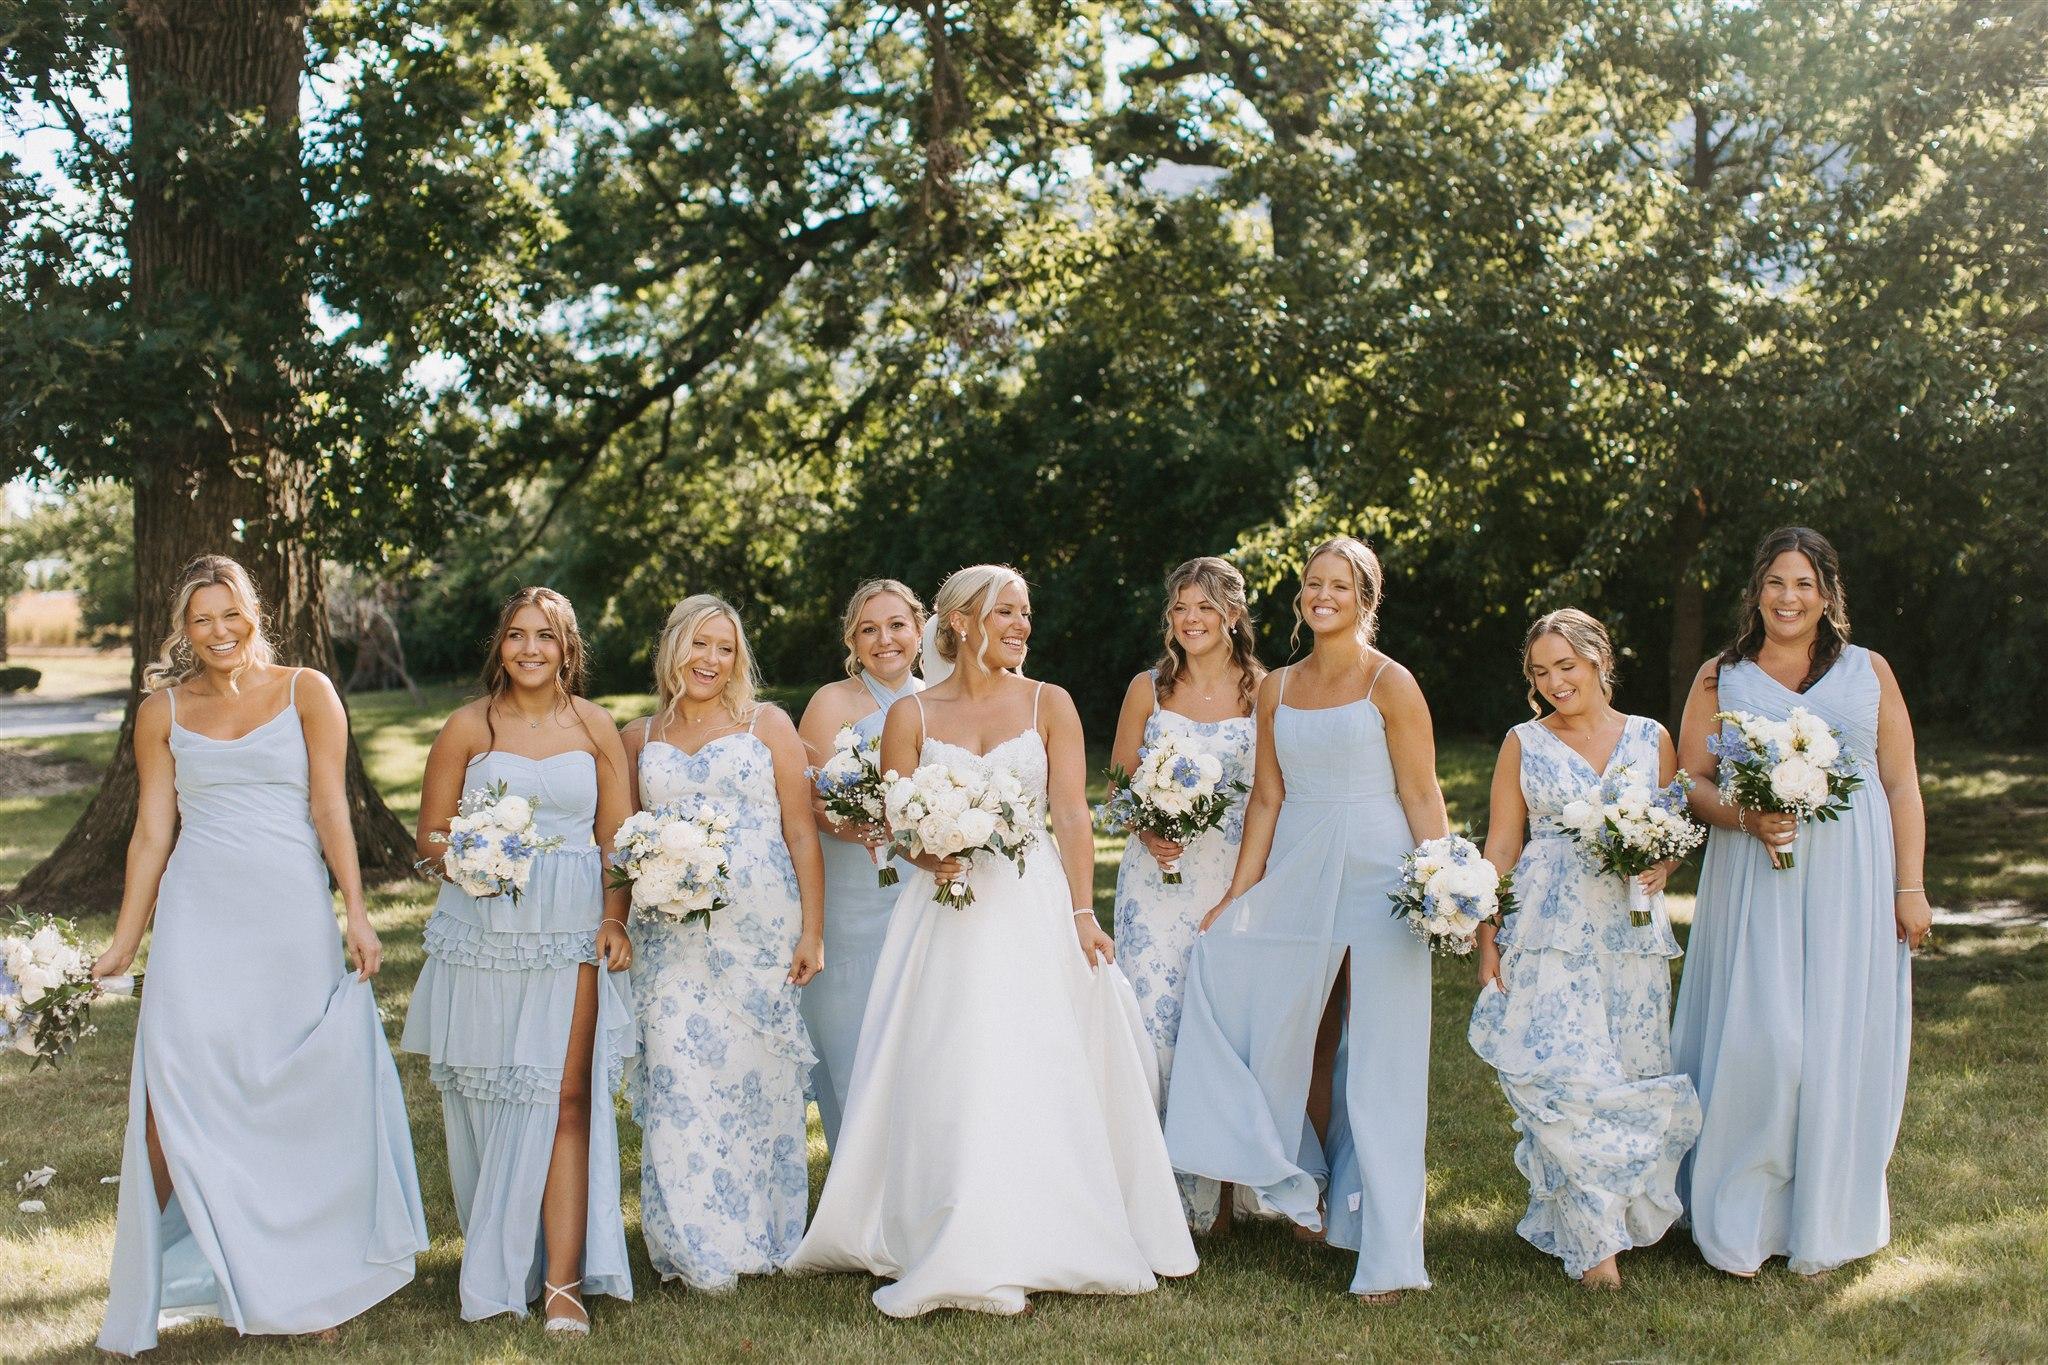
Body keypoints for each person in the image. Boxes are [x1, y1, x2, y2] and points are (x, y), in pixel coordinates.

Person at [787, 564, 1198, 1316]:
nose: (1021, 624)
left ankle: (1046, 1222)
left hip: (1029, 901)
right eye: (1006, 611)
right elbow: (897, 821)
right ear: (961, 620)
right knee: (952, 1055)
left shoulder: (1050, 701)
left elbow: (1070, 813)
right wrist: (927, 854)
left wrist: (1084, 912)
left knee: (1032, 1050)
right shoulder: (911, 714)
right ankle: (948, 1221)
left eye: (1025, 612)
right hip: (941, 913)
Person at [94, 554, 427, 1355]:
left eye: (230, 614)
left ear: (254, 612)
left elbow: (331, 807)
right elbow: (151, 832)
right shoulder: (161, 711)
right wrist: (123, 942)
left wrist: (357, 913)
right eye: (201, 619)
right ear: (183, 629)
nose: (219, 631)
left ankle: (307, 1286)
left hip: (289, 918)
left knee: (293, 1096)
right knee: (172, 1099)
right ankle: (141, 1294)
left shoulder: (307, 690)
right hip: (197, 920)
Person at [1164, 536, 1446, 1301]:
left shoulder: (1391, 682)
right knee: (1298, 1034)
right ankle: (1309, 1187)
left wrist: (1445, 882)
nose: (1323, 594)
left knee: (1383, 1051)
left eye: (1340, 585)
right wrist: (1238, 895)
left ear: (1366, 598)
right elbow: (1267, 797)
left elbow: (1421, 792)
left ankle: (1388, 1247)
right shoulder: (1278, 687)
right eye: (1313, 583)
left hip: (1379, 870)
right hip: (1296, 867)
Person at [1671, 526, 1927, 1277]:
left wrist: (1910, 887)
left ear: (1827, 594)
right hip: (1756, 876)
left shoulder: (1869, 670)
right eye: (1776, 582)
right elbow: (1689, 781)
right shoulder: (1721, 676)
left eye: (1804, 583)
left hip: (1853, 879)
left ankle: (1822, 1214)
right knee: (1766, 1041)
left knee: (1835, 1040)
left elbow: (1900, 783)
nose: (1788, 597)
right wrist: (1745, 817)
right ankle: (1740, 1215)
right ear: (1757, 591)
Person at [400, 587, 636, 1331]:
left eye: (545, 636)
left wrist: (614, 918)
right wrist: (473, 856)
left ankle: (563, 1282)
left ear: (568, 648)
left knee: (566, 1097)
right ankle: (505, 1254)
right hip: (483, 930)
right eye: (516, 635)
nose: (530, 649)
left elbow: (618, 841)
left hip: (570, 929)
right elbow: (429, 839)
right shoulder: (468, 726)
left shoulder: (594, 726)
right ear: (499, 646)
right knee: (493, 1095)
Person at [1467, 608, 1701, 1288]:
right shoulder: (1523, 742)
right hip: (1548, 930)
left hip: (1628, 935)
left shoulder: (1650, 737)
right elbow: (1502, 845)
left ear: (1599, 659)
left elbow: (1672, 832)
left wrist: (1663, 866)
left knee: (1626, 1072)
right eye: (1540, 672)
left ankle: (1610, 1217)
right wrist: (1488, 938)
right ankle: (1597, 1250)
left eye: (1565, 666)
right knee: (1564, 1075)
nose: (1554, 682)